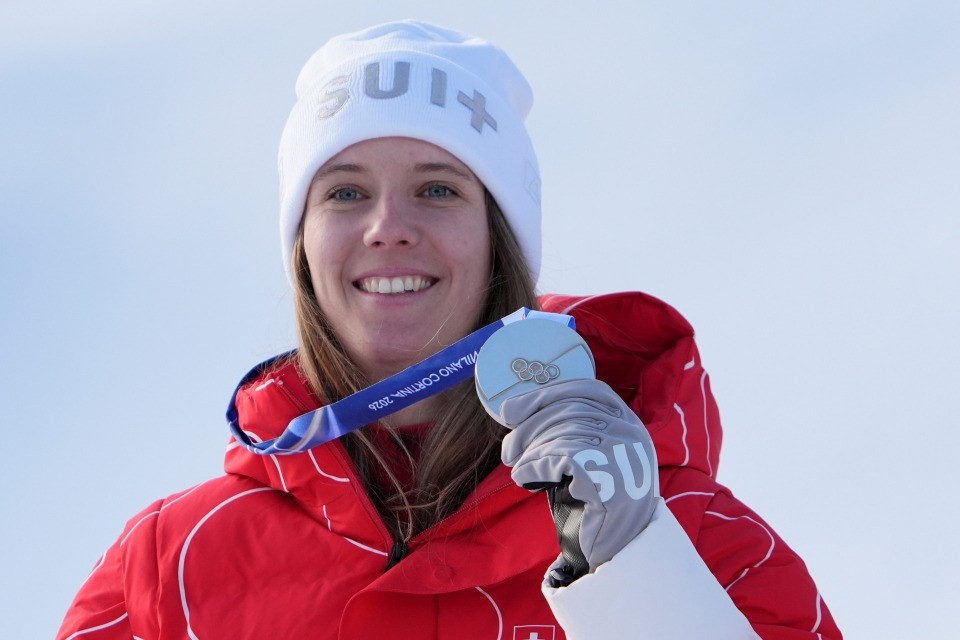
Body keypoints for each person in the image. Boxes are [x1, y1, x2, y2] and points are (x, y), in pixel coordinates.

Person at [57, 20, 842, 640]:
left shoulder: (687, 530)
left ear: (500, 241)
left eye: (437, 189)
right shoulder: (169, 564)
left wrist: (640, 576)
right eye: (344, 193)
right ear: (301, 247)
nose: (388, 227)